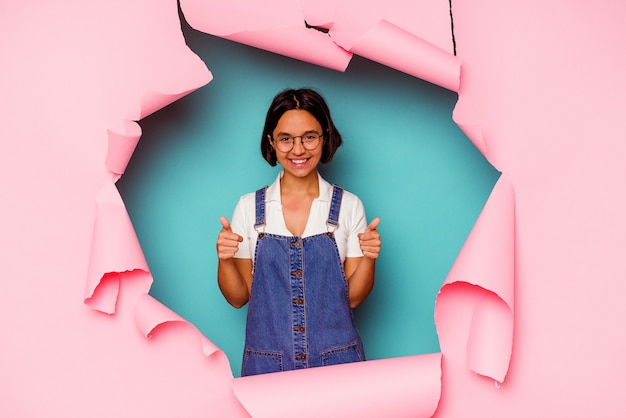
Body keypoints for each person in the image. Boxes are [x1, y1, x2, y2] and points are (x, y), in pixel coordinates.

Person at [216, 88, 381, 376]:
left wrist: (369, 257)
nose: (298, 149)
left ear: (325, 136)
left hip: (338, 363)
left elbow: (353, 297)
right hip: (267, 365)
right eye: (286, 139)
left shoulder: (348, 207)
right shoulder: (248, 208)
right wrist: (224, 258)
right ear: (272, 141)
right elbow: (238, 297)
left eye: (309, 136)